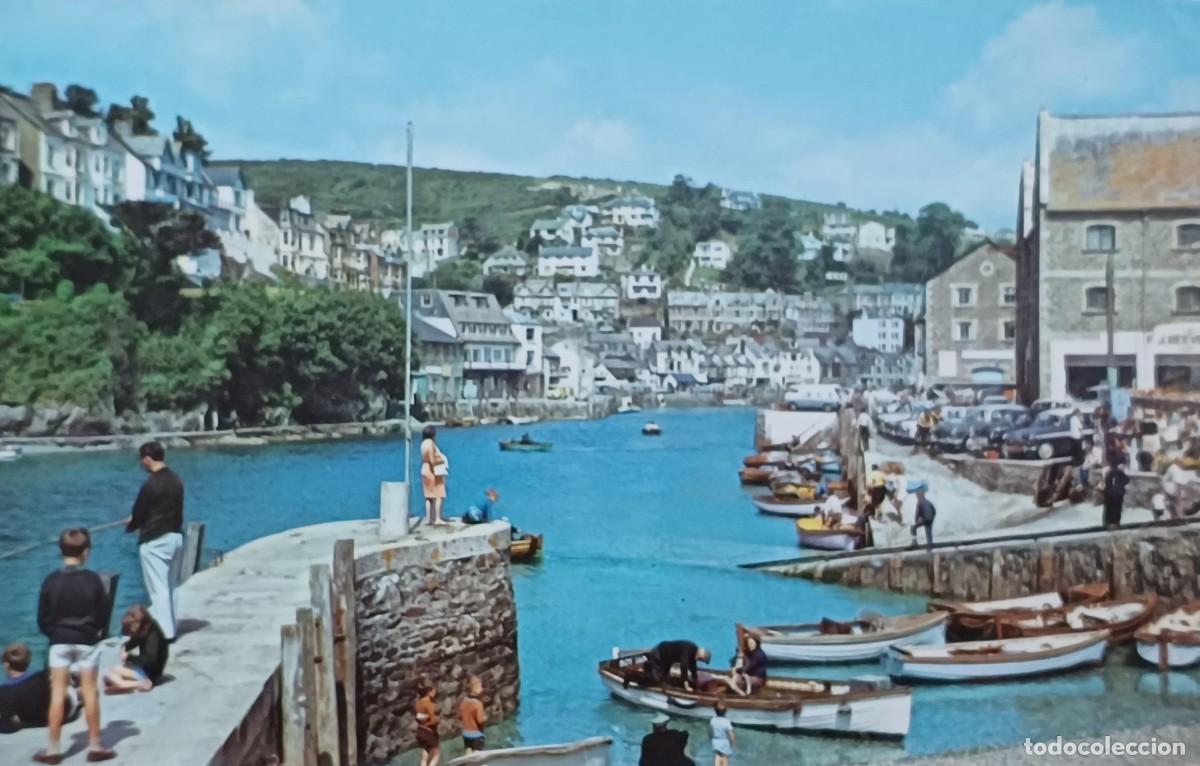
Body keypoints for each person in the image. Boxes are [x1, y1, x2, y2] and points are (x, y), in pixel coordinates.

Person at [36, 528, 114, 763]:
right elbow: (103, 613)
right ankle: (95, 745)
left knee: (57, 693)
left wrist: (53, 633)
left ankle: (53, 749)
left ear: (61, 551)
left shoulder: (51, 580)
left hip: (59, 640)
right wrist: (95, 630)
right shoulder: (93, 580)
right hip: (87, 640)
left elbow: (42, 617)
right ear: (86, 552)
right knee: (89, 692)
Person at [126, 440, 184, 641]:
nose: (141, 463)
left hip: (155, 540)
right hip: (175, 536)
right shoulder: (176, 479)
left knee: (158, 588)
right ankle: (172, 626)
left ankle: (164, 633)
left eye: (142, 459)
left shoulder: (150, 484)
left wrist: (133, 523)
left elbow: (139, 512)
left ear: (148, 459)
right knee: (172, 585)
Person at [0, 643, 70, 733]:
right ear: (28, 661)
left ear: (6, 665)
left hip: (34, 721)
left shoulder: (4, 691)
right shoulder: (42, 676)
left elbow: (6, 726)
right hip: (59, 715)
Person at [104, 605, 168, 694]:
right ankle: (130, 686)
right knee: (111, 678)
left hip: (150, 673)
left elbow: (150, 659)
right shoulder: (147, 626)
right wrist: (126, 647)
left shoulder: (153, 637)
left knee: (108, 673)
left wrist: (129, 657)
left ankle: (140, 684)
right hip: (147, 669)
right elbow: (137, 639)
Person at [646, 640, 711, 692]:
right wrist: (686, 685)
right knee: (657, 680)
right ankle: (647, 667)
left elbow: (693, 668)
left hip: (667, 660)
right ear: (699, 655)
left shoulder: (694, 653)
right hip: (659, 652)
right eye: (700, 660)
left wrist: (695, 681)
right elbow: (683, 666)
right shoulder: (687, 649)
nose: (699, 661)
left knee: (666, 678)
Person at [420, 426, 449, 527]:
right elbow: (432, 459)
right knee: (439, 494)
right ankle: (437, 518)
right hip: (432, 470)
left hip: (424, 468)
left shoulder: (423, 444)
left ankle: (428, 518)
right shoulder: (430, 443)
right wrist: (441, 461)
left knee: (428, 496)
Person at [414, 679, 440, 766]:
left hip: (420, 731)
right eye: (434, 689)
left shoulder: (418, 704)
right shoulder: (429, 704)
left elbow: (418, 717)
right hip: (428, 732)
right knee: (436, 754)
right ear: (429, 692)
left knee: (426, 753)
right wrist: (437, 720)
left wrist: (425, 720)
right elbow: (433, 720)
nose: (435, 691)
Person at [458, 675, 487, 752]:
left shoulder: (464, 700)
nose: (482, 689)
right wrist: (485, 718)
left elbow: (459, 716)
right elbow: (480, 720)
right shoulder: (478, 703)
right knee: (476, 756)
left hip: (466, 734)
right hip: (476, 735)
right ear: (475, 688)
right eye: (480, 686)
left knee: (468, 753)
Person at [1104, 456, 1130, 528]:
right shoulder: (1118, 473)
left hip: (1111, 494)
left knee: (1111, 509)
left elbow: (1107, 482)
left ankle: (1109, 523)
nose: (1123, 466)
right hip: (1117, 494)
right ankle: (1114, 523)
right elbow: (1126, 480)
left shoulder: (1110, 472)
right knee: (1116, 509)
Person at [911, 484, 936, 551]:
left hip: (925, 519)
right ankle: (930, 545)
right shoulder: (928, 502)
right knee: (928, 532)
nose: (917, 496)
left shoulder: (920, 502)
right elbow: (934, 510)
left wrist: (917, 520)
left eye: (917, 495)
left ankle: (914, 542)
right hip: (929, 520)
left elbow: (918, 512)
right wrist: (932, 518)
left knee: (913, 528)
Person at [710, 702, 735, 766]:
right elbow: (731, 735)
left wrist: (711, 738)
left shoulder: (713, 720)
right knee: (724, 757)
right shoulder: (726, 722)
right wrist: (732, 743)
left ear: (715, 710)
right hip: (724, 742)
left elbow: (711, 732)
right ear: (726, 711)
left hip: (715, 740)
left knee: (718, 755)